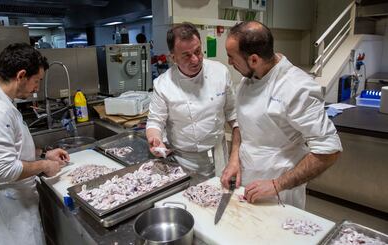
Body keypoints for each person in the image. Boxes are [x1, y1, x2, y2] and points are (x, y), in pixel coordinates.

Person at [221, 21, 342, 209]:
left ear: (254, 59)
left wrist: (277, 185)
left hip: (280, 191)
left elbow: (329, 150)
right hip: (247, 180)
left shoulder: (296, 88)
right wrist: (234, 159)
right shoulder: (248, 79)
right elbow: (241, 125)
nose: (229, 62)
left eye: (231, 57)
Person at [0, 43, 69, 244]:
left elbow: (10, 149)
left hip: (7, 201)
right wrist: (44, 166)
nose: (37, 88)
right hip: (8, 210)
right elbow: (3, 169)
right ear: (21, 75)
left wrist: (43, 154)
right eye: (36, 81)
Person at [146, 22, 240, 176]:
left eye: (198, 51)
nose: (195, 59)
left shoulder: (220, 72)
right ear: (173, 57)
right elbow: (155, 121)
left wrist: (235, 158)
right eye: (187, 55)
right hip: (183, 159)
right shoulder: (163, 84)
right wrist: (155, 139)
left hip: (218, 153)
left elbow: (233, 115)